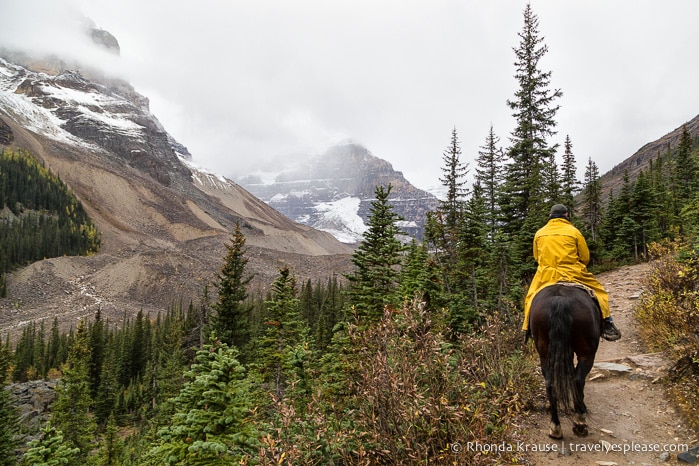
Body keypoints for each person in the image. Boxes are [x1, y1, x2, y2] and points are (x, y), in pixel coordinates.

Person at [522, 204, 621, 341]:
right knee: (599, 292)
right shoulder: (574, 232)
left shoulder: (540, 233)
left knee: (531, 298)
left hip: (546, 274)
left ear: (550, 216)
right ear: (566, 215)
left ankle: (528, 328)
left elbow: (537, 256)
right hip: (572, 271)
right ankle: (607, 323)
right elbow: (585, 257)